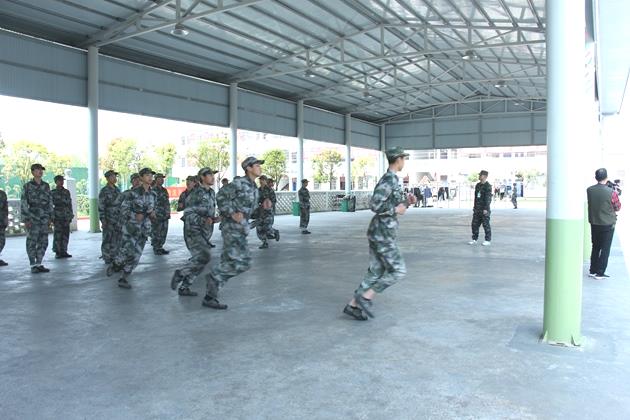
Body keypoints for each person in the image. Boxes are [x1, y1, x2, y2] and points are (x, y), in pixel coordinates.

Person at [343, 147, 414, 321]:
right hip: (382, 234)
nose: (404, 162)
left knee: (376, 271)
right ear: (398, 159)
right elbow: (375, 205)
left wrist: (407, 202)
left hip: (380, 231)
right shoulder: (389, 179)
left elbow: (393, 204)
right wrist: (395, 209)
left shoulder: (393, 179)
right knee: (398, 270)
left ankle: (352, 305)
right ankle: (366, 297)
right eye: (403, 159)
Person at [201, 157, 263, 309]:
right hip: (232, 228)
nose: (259, 168)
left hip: (241, 229)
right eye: (256, 165)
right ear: (248, 168)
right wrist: (232, 213)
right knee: (242, 262)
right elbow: (221, 196)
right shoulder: (239, 183)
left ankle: (210, 294)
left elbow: (248, 209)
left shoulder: (254, 187)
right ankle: (214, 279)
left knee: (231, 262)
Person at [171, 167, 219, 296]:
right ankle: (181, 273)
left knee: (201, 260)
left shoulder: (211, 192)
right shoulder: (195, 193)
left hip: (204, 231)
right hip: (193, 230)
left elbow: (208, 212)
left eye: (213, 175)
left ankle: (184, 287)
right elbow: (188, 214)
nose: (213, 177)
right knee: (203, 257)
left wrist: (214, 219)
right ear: (202, 177)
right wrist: (203, 220)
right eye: (210, 175)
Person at [107, 168, 157, 289]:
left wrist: (152, 214)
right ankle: (116, 264)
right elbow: (124, 209)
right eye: (147, 175)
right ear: (141, 178)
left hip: (144, 230)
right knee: (126, 252)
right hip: (131, 228)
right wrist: (134, 215)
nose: (150, 177)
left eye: (151, 175)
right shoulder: (133, 193)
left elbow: (152, 210)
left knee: (136, 256)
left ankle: (124, 277)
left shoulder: (153, 194)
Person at [587, 168, 621, 280]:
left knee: (595, 247)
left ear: (596, 177)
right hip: (608, 224)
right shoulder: (611, 192)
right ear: (606, 178)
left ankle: (592, 270)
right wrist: (615, 193)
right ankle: (600, 273)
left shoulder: (589, 190)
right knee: (605, 249)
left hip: (594, 222)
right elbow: (617, 207)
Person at [21, 163, 53, 273]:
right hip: (33, 218)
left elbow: (50, 201)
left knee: (43, 241)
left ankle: (39, 263)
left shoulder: (46, 186)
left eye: (41, 170)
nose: (40, 171)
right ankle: (33, 264)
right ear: (33, 172)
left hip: (44, 218)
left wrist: (51, 216)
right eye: (38, 169)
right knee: (31, 242)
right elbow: (24, 203)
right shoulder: (27, 186)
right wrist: (26, 219)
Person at [98, 170, 122, 264]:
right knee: (108, 238)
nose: (114, 178)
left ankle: (115, 255)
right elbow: (101, 206)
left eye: (115, 177)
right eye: (112, 177)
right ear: (107, 179)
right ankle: (106, 256)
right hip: (109, 218)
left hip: (118, 218)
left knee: (117, 237)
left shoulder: (117, 190)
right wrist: (103, 219)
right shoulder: (104, 191)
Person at [51, 174, 74, 258]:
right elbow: (50, 205)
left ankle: (64, 251)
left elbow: (69, 204)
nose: (61, 182)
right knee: (58, 234)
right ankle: (57, 252)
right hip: (57, 216)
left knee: (65, 234)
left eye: (62, 180)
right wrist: (51, 216)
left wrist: (70, 215)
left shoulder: (66, 192)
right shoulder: (52, 192)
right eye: (59, 180)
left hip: (66, 215)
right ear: (56, 182)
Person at [468, 170, 492, 246]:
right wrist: (474, 207)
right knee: (474, 224)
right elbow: (476, 197)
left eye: (480, 175)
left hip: (484, 209)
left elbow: (488, 198)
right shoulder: (477, 185)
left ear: (485, 176)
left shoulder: (488, 186)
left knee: (486, 225)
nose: (479, 176)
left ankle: (487, 240)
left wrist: (486, 209)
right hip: (477, 209)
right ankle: (474, 239)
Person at [256, 175, 279, 249]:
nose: (261, 181)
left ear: (265, 181)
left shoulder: (269, 190)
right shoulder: (258, 190)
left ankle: (275, 232)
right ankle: (264, 242)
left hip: (268, 212)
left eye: (262, 180)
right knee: (259, 228)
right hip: (260, 212)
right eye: (260, 180)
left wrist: (268, 204)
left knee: (267, 227)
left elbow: (274, 200)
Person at [151, 173, 171, 255]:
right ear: (156, 180)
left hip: (165, 215)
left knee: (163, 232)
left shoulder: (164, 190)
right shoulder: (153, 190)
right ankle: (156, 248)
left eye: (162, 178)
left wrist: (168, 212)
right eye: (160, 178)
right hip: (157, 215)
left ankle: (160, 247)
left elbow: (167, 202)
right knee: (156, 232)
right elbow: (151, 203)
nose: (162, 180)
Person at [0, 188, 8, 266]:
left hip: (1, 221)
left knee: (2, 241)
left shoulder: (2, 194)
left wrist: (6, 219)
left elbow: (5, 208)